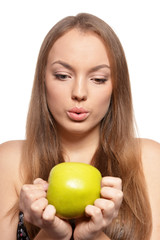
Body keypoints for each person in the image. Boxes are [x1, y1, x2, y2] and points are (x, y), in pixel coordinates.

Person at [0, 12, 159, 240]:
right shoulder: (9, 160)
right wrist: (53, 232)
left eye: (98, 79)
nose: (79, 93)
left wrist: (93, 235)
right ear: (42, 79)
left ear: (116, 86)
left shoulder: (148, 159)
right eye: (63, 75)